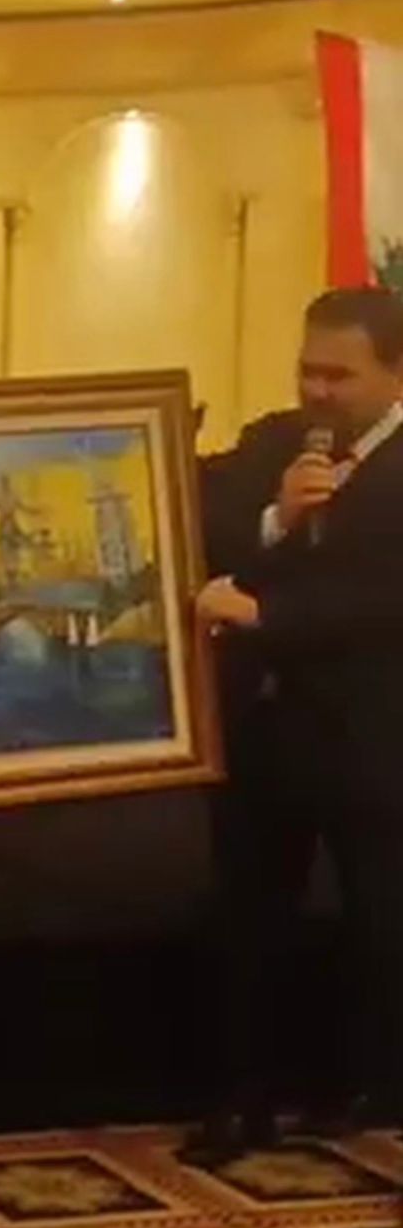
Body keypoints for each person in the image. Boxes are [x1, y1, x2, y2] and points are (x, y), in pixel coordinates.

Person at [188, 286, 403, 1159]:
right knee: (246, 918)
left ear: (396, 374)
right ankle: (240, 1100)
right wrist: (277, 517)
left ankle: (366, 1089)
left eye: (338, 376)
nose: (316, 391)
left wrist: (267, 615)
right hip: (261, 728)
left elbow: (386, 601)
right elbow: (205, 525)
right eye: (307, 370)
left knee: (380, 919)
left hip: (372, 735)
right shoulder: (271, 443)